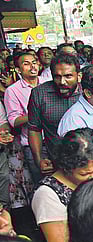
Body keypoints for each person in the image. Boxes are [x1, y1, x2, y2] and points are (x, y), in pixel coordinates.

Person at [27, 53, 82, 181]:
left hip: (90, 162)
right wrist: (39, 159)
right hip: (57, 164)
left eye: (68, 76)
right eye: (57, 77)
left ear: (78, 75)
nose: (62, 82)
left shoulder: (88, 92)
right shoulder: (39, 94)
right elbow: (34, 129)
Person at [4, 52, 46, 183]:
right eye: (26, 64)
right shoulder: (13, 90)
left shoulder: (48, 83)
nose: (32, 66)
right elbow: (13, 121)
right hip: (33, 145)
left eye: (34, 62)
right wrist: (36, 113)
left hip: (55, 140)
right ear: (18, 70)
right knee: (42, 183)